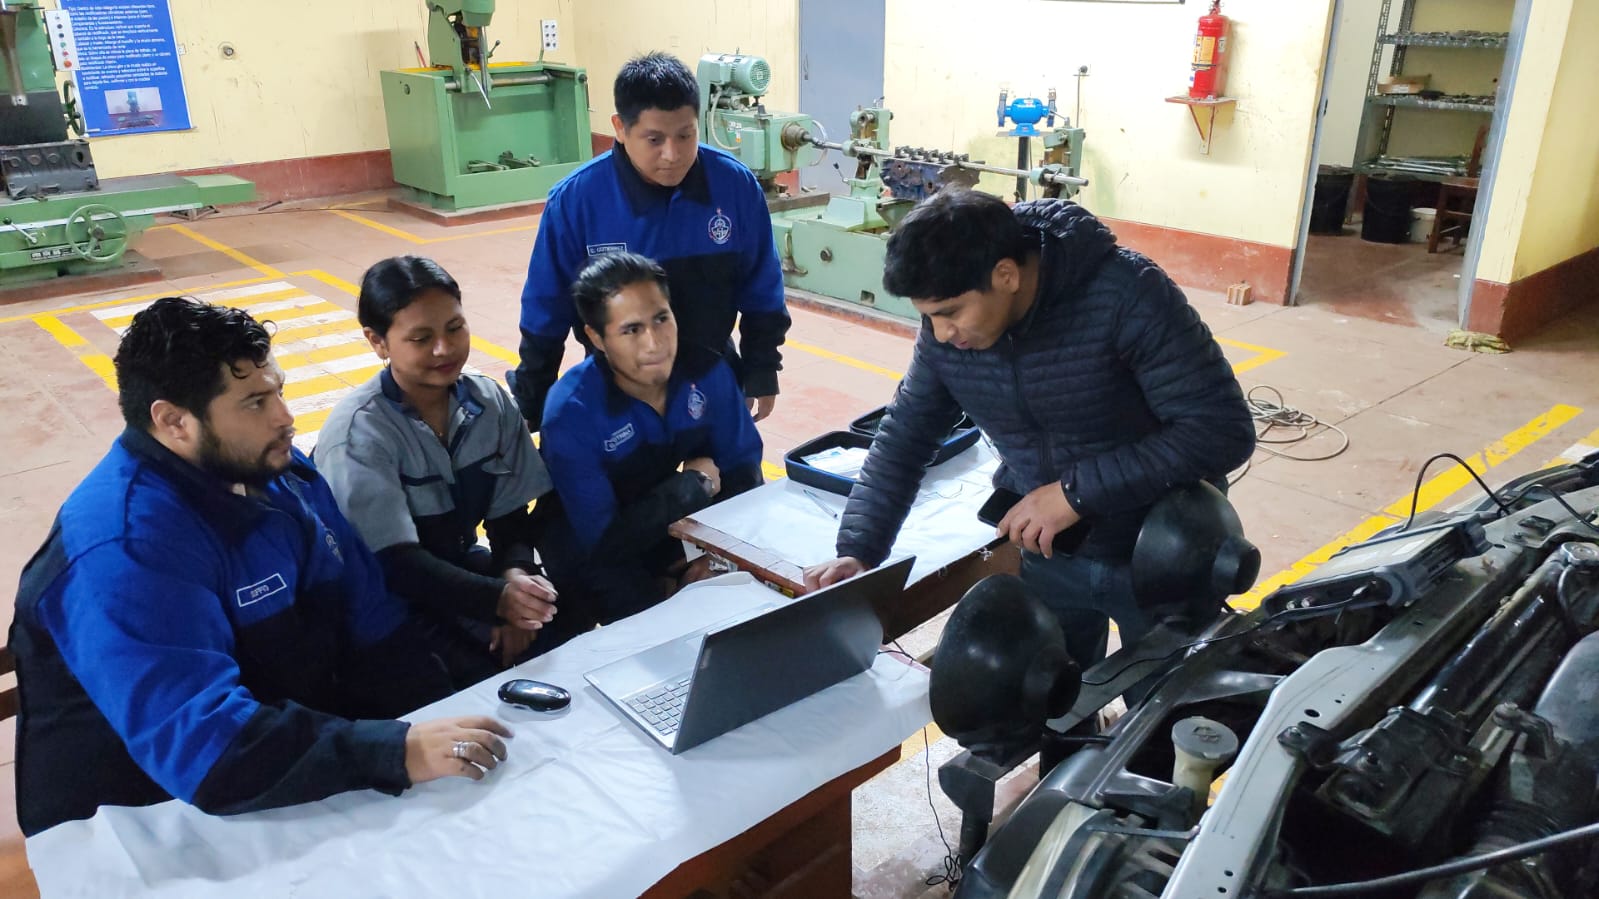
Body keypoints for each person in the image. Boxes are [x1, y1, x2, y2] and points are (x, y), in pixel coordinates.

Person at [9, 297, 511, 838]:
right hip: (150, 814)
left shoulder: (278, 472)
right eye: (254, 403)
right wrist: (395, 751)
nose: (285, 418)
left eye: (278, 392)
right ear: (173, 421)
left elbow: (373, 618)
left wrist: (442, 703)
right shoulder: (126, 548)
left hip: (284, 749)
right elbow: (205, 749)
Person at [803, 191, 1255, 667]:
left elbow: (1221, 430)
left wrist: (1074, 494)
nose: (940, 334)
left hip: (1162, 551)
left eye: (951, 313)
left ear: (1006, 275)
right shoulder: (949, 336)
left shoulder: (1127, 294)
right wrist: (859, 552)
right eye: (927, 316)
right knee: (1054, 695)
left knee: (1165, 697)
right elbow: (904, 438)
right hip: (1051, 549)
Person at [315, 256, 573, 687]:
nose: (444, 349)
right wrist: (496, 602)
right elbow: (395, 563)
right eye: (421, 338)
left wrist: (515, 577)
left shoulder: (489, 403)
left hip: (456, 570)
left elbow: (509, 516)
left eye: (455, 328)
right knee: (469, 681)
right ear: (378, 342)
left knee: (560, 626)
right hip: (385, 599)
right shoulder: (360, 434)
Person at [510, 51, 789, 430]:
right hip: (616, 391)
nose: (672, 155)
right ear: (620, 128)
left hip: (712, 378)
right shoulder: (577, 201)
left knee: (731, 468)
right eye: (654, 139)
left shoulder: (734, 187)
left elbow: (762, 286)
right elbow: (546, 308)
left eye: (685, 135)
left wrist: (761, 368)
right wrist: (533, 398)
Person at [539, 252, 764, 623]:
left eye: (661, 319)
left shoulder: (707, 371)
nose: (654, 343)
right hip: (594, 554)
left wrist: (716, 558)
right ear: (596, 338)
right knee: (659, 630)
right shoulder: (572, 413)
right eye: (631, 330)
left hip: (670, 530)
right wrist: (694, 485)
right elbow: (604, 542)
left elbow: (744, 475)